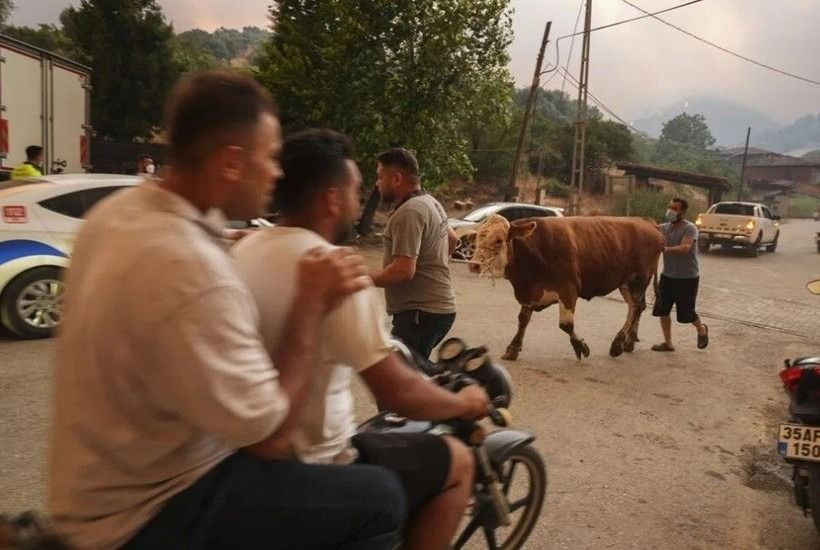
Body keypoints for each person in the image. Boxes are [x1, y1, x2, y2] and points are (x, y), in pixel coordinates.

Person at [48, 71, 407, 550]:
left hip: (88, 491)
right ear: (233, 162)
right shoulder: (190, 269)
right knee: (380, 498)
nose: (278, 173)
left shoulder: (119, 214)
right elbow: (271, 437)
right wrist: (308, 303)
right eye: (271, 157)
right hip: (151, 509)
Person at [232, 129, 489, 550]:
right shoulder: (333, 271)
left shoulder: (245, 248)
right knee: (456, 461)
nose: (362, 196)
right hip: (315, 461)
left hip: (244, 456)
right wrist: (466, 402)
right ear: (331, 198)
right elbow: (398, 390)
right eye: (355, 188)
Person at [370, 148, 459, 359]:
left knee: (402, 374)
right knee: (416, 373)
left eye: (381, 176)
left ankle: (464, 387)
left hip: (420, 313)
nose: (377, 183)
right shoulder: (431, 202)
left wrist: (360, 279)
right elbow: (453, 239)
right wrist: (433, 260)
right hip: (437, 309)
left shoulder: (409, 211)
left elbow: (403, 271)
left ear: (397, 179)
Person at [652, 197, 709, 352]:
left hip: (687, 278)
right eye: (669, 207)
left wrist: (665, 250)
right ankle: (668, 343)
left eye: (675, 208)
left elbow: (685, 248)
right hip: (667, 276)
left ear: (682, 211)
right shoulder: (663, 227)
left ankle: (701, 329)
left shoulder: (690, 228)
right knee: (662, 310)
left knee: (686, 313)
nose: (670, 210)